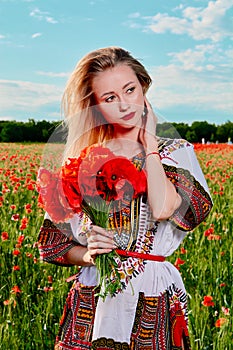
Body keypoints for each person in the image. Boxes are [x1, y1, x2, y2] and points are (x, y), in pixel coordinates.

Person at [37, 47, 213, 350]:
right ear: (95, 106)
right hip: (93, 300)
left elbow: (162, 208)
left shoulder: (176, 152)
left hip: (152, 297)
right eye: (109, 98)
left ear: (143, 87)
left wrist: (150, 145)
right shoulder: (83, 161)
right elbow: (53, 244)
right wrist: (89, 254)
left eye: (130, 90)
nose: (124, 105)